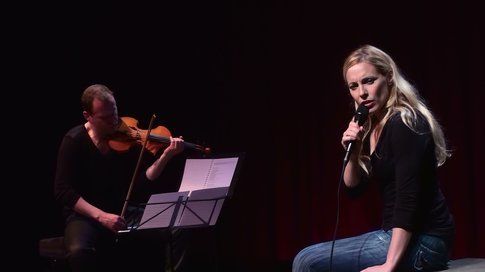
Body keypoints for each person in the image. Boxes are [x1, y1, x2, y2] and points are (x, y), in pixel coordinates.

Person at [293, 45, 455, 272]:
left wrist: (389, 265)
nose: (362, 93)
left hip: (426, 241)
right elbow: (353, 189)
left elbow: (408, 199)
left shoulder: (404, 122)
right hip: (394, 234)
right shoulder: (374, 125)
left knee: (307, 261)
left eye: (369, 81)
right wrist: (355, 149)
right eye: (353, 86)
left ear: (388, 77)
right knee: (305, 258)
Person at [54, 84, 187, 272]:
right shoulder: (74, 141)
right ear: (88, 116)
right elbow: (63, 191)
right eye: (106, 117)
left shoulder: (123, 138)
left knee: (176, 228)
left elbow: (140, 183)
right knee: (79, 251)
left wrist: (166, 157)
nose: (114, 121)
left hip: (122, 211)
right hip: (85, 216)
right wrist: (102, 216)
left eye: (115, 112)